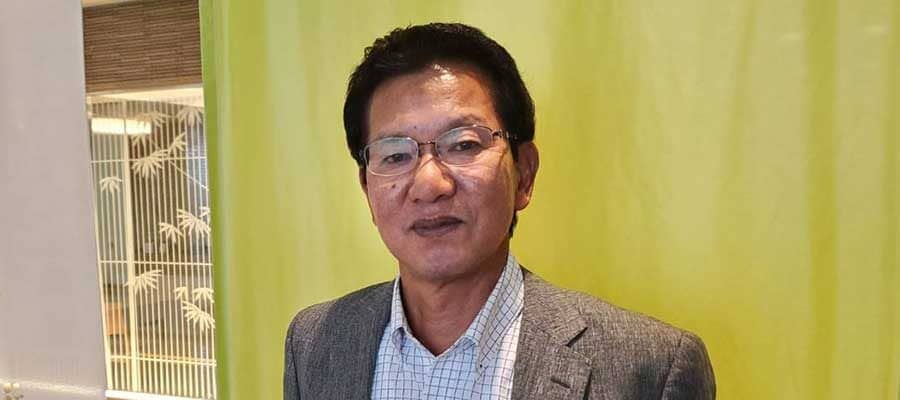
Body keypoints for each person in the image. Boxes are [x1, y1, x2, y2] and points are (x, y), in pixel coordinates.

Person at [284, 22, 715, 400]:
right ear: (367, 188)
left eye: (463, 144)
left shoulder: (651, 368)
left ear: (524, 174)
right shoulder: (315, 343)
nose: (430, 184)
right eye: (395, 155)